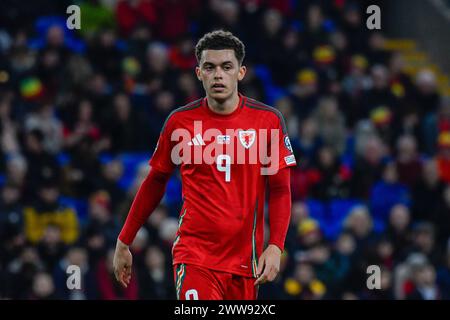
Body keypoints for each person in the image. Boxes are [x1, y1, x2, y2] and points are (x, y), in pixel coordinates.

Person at [113, 30, 296, 300]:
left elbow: (280, 190)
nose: (218, 74)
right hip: (195, 256)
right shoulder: (180, 123)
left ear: (241, 72)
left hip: (245, 263)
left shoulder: (267, 122)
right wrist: (124, 240)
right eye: (210, 67)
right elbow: (155, 181)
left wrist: (275, 246)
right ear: (199, 73)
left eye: (226, 67)